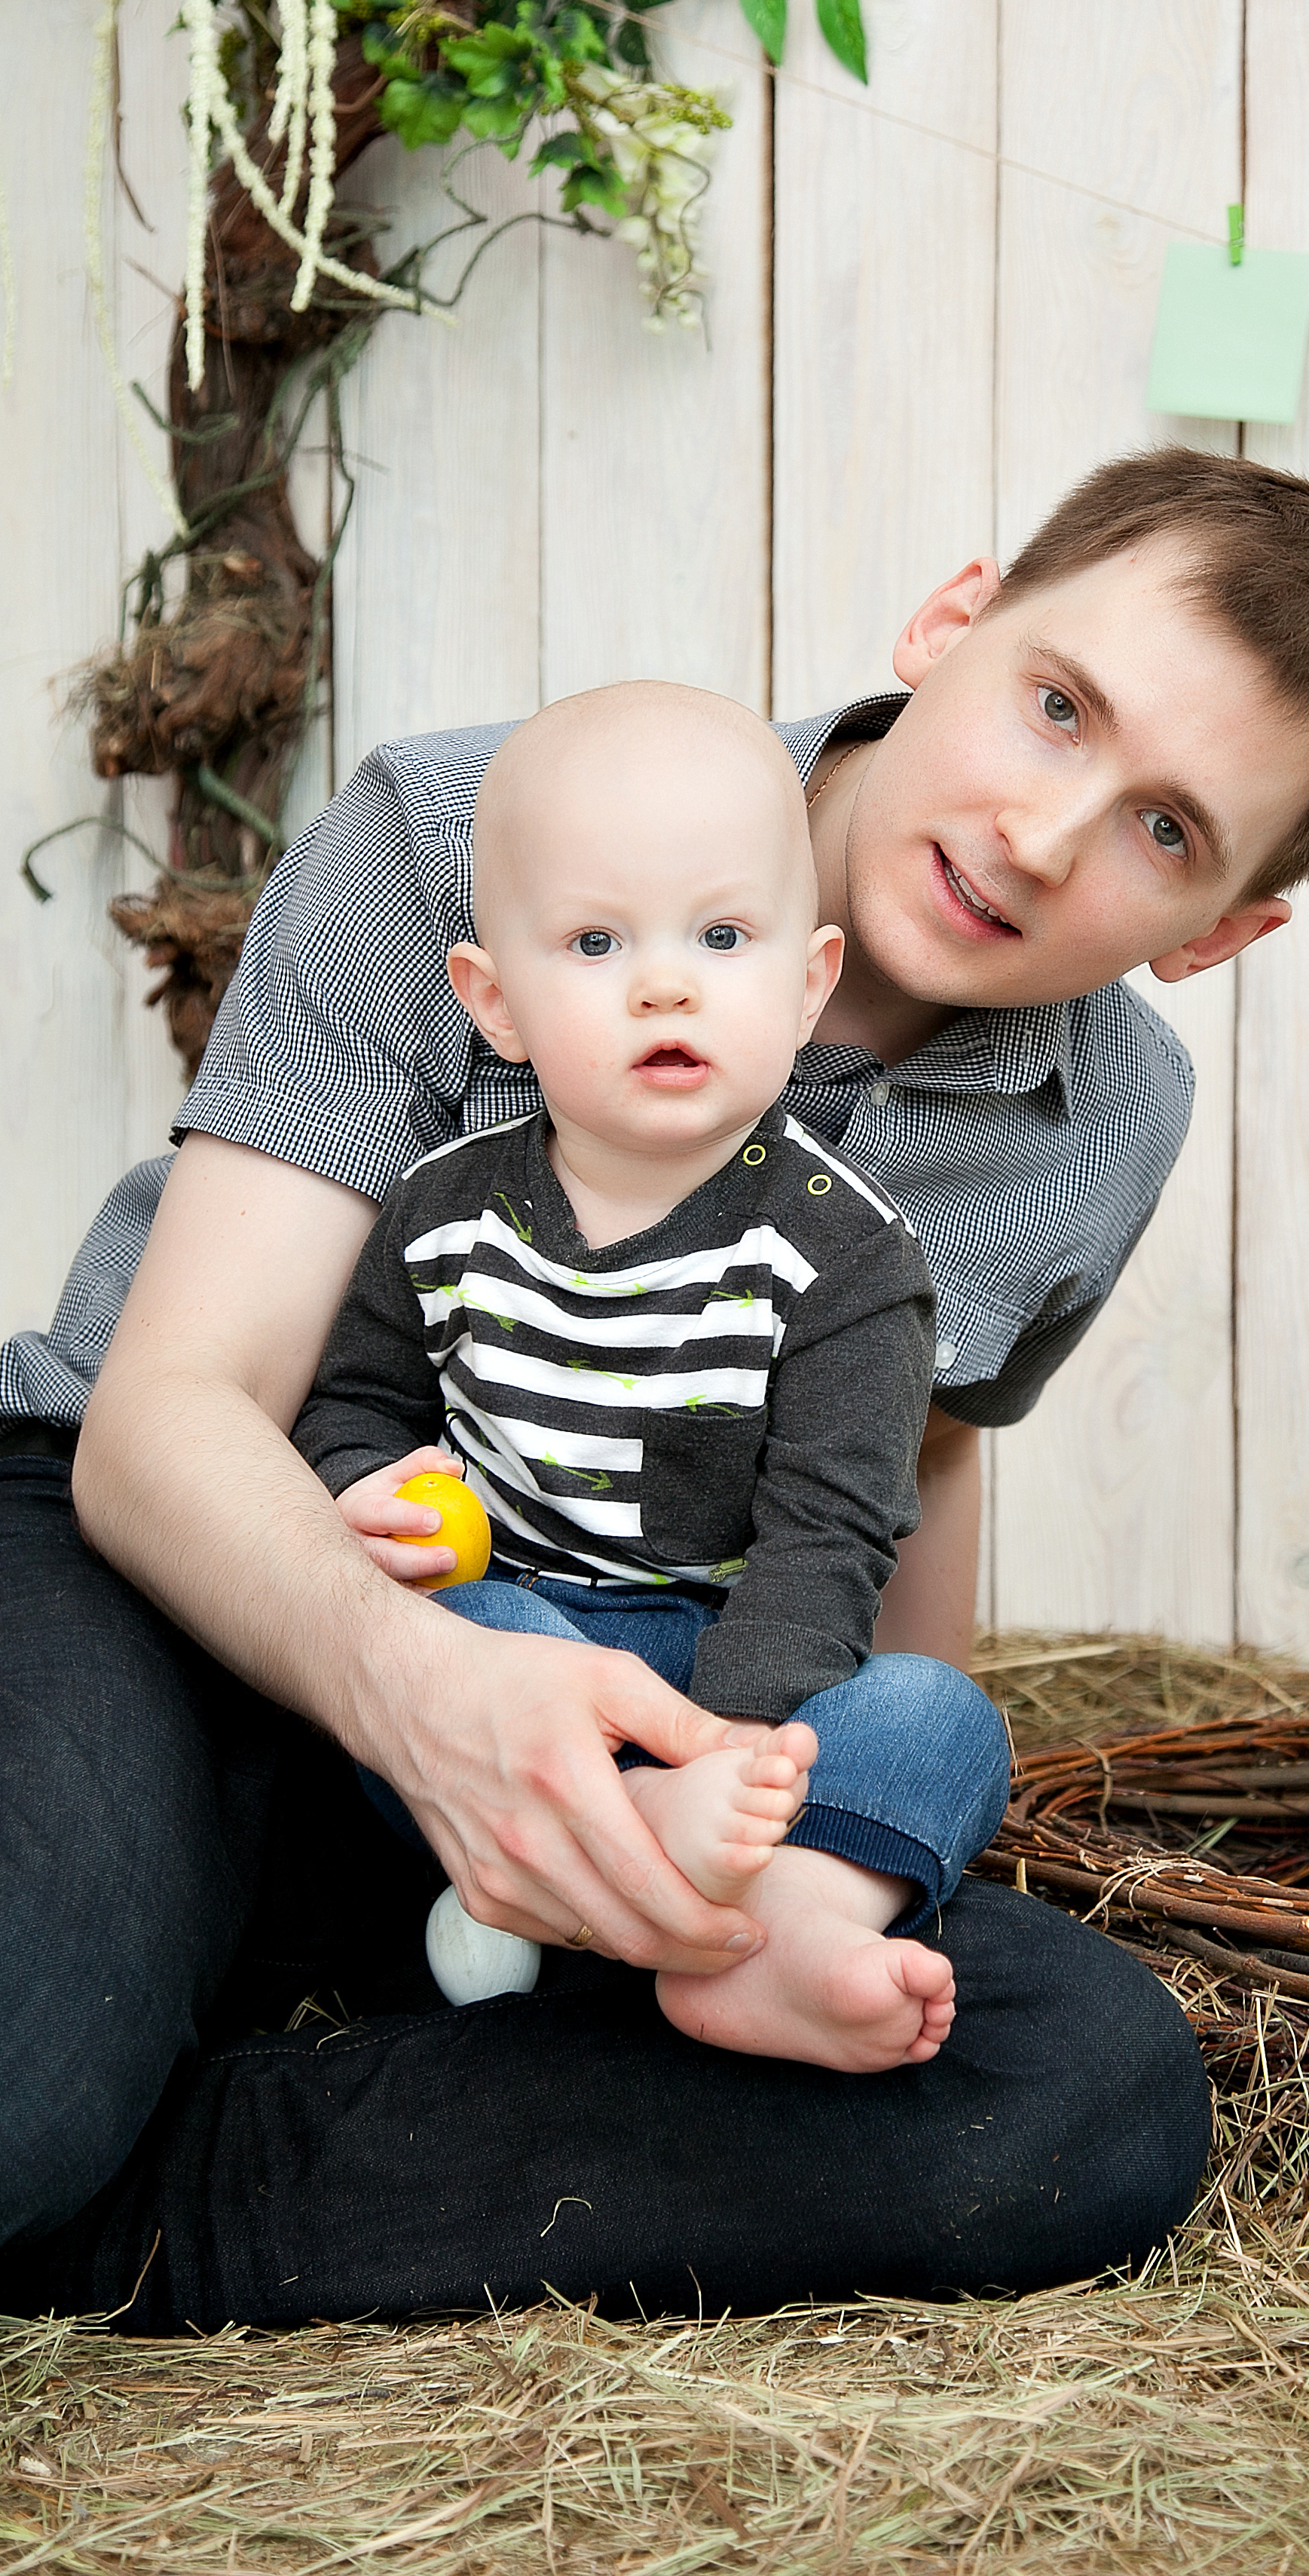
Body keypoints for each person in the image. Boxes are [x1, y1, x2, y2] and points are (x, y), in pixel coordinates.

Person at [0, 449, 1309, 2333]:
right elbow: (176, 1409)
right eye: (1058, 704)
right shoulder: (462, 828)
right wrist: (425, 1688)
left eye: (1166, 829)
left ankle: (93, 2174)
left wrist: (863, 1830)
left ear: (1219, 930)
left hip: (644, 1698)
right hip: (187, 1573)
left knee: (1084, 2089)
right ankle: (15, 2110)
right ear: (953, 622)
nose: (1045, 833)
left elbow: (919, 1444)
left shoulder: (1110, 1114)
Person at [295, 681, 1013, 2073]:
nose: (666, 984)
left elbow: (829, 1536)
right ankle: (649, 1872)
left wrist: (723, 1746)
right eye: (595, 941)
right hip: (516, 1658)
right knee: (442, 1631)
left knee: (938, 1720)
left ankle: (780, 1923)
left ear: (807, 985)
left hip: (724, 1660)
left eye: (723, 937)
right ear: (496, 1003)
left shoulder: (848, 1258)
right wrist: (363, 1487)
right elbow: (359, 1401)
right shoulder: (442, 1212)